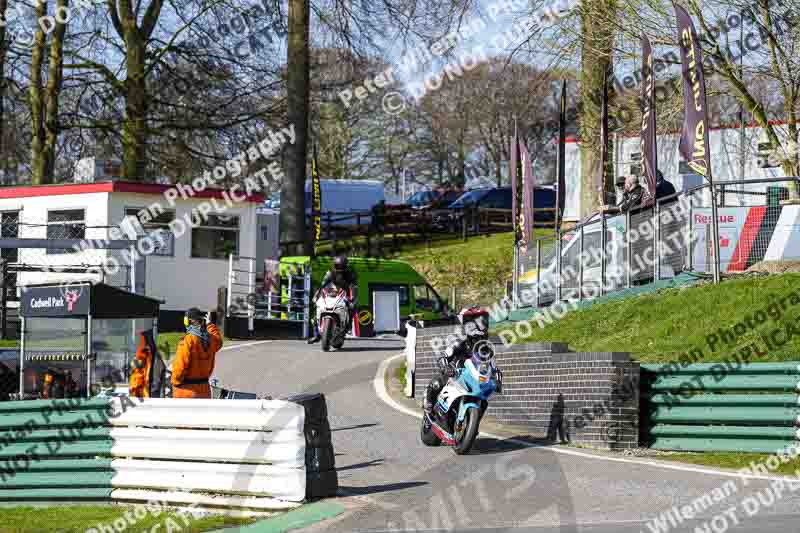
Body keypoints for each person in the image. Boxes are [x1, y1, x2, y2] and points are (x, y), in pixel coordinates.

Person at [423, 307, 492, 414]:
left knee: (484, 402)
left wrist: (496, 376)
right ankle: (428, 403)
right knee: (437, 383)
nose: (478, 327)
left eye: (482, 322)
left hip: (473, 380)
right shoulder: (459, 343)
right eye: (474, 323)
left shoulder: (486, 348)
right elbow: (443, 356)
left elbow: (491, 365)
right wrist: (446, 367)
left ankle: (472, 426)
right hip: (455, 376)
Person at [172, 308, 223, 398]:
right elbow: (218, 340)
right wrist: (209, 324)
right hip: (204, 390)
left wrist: (175, 382)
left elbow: (180, 367)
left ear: (188, 321)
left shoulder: (187, 340)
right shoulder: (211, 339)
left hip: (186, 392)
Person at [307, 256, 358, 344]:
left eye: (341, 266)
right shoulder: (331, 272)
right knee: (318, 310)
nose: (339, 268)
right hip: (333, 291)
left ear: (345, 266)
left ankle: (347, 326)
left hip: (345, 293)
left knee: (353, 308)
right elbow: (323, 283)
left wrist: (352, 297)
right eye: (337, 265)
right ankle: (317, 335)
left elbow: (354, 286)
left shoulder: (351, 273)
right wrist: (317, 294)